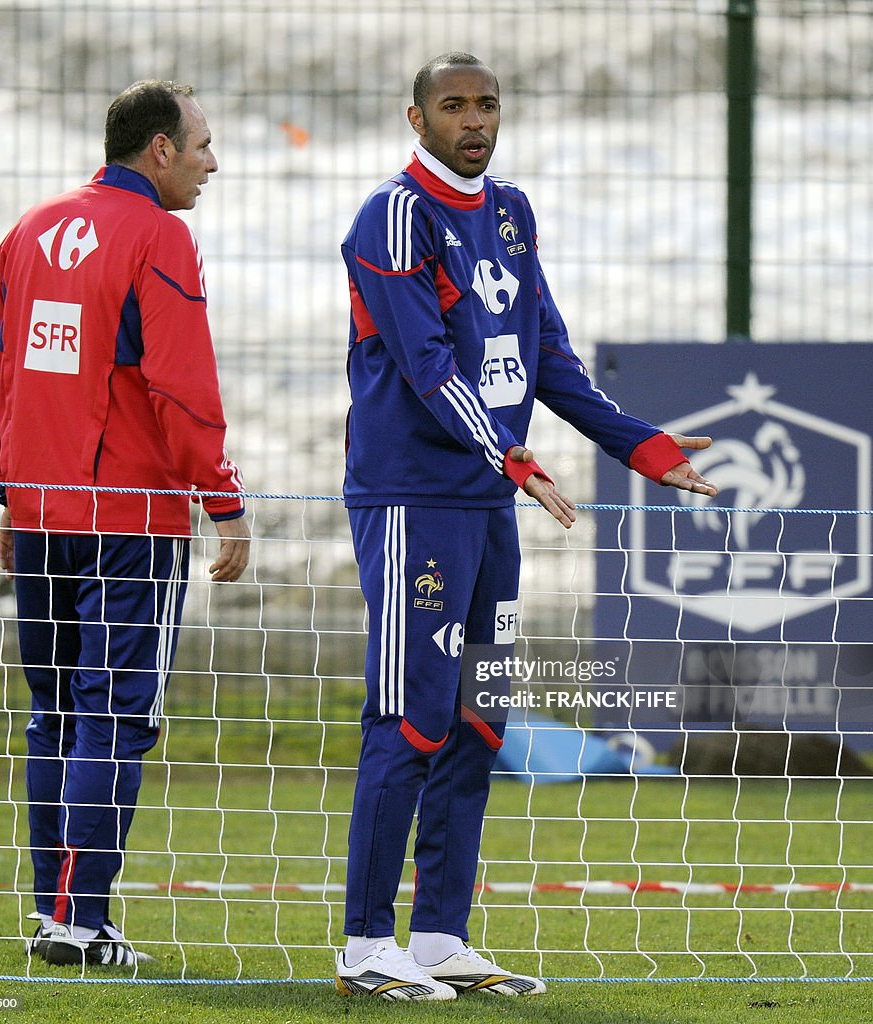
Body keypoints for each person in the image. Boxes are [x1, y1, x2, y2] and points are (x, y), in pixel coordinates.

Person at [335, 52, 718, 1001]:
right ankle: (363, 945)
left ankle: (437, 938)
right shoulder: (392, 215)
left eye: (487, 104)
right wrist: (507, 454)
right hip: (413, 503)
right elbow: (427, 364)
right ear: (415, 118)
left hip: (488, 505)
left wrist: (637, 446)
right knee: (409, 716)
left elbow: (545, 348)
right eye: (453, 105)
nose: (474, 120)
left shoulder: (509, 211)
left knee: (477, 717)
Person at [0, 80, 250, 968]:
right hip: (132, 517)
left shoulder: (28, 229)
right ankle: (81, 922)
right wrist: (225, 502)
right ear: (160, 149)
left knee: (53, 713)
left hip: (44, 510)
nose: (214, 162)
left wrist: (10, 489)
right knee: (113, 717)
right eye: (203, 144)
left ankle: (57, 916)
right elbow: (181, 383)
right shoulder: (161, 234)